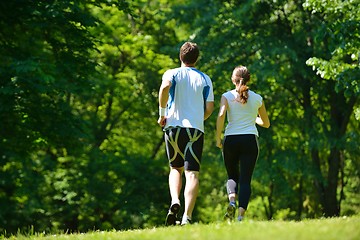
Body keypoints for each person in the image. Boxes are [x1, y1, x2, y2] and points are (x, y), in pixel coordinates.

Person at [157, 42, 214, 226]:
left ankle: (175, 200)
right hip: (195, 130)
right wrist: (199, 118)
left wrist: (162, 114)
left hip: (173, 127)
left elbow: (165, 88)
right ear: (197, 58)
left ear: (180, 56)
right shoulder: (205, 79)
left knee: (175, 169)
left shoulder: (171, 73)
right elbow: (210, 108)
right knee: (192, 174)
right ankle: (187, 217)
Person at [216, 65, 270, 222]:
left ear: (233, 79)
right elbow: (266, 123)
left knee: (232, 176)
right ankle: (240, 217)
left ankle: (232, 201)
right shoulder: (258, 98)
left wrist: (218, 138)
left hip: (231, 140)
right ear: (249, 79)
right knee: (245, 179)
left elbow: (220, 116)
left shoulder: (226, 96)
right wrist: (253, 117)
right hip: (250, 140)